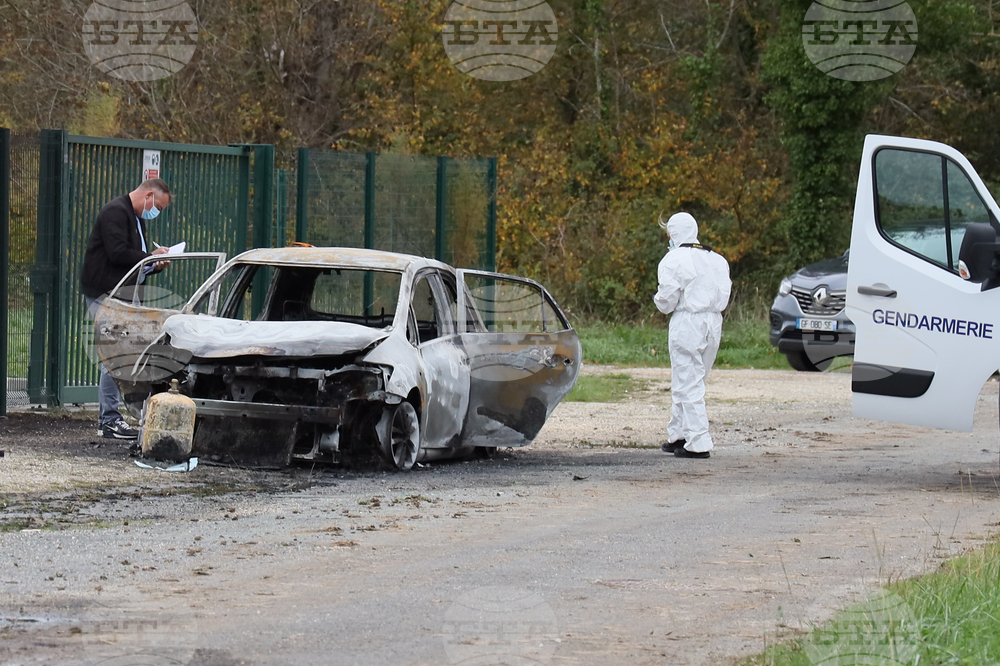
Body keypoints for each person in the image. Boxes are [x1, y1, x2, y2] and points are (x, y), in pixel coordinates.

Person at [81, 179, 173, 440]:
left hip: (125, 295)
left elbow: (133, 258)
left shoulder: (134, 216)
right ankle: (109, 419)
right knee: (115, 355)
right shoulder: (116, 212)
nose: (157, 212)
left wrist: (153, 265)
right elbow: (118, 253)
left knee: (128, 354)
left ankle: (116, 416)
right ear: (148, 195)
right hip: (107, 294)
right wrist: (150, 257)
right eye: (158, 206)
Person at [654, 212, 731, 459]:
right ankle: (678, 434)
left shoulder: (673, 259)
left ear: (674, 234)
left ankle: (698, 441)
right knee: (692, 379)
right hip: (713, 322)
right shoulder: (717, 259)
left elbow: (666, 301)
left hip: (688, 321)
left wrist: (658, 300)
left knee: (688, 380)